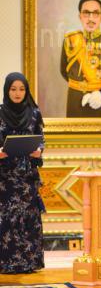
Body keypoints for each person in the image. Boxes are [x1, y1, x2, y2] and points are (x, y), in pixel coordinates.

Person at [0, 73, 45, 274]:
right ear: (6, 90)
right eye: (13, 89)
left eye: (21, 89)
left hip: (27, 176)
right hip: (5, 176)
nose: (17, 93)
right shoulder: (0, 113)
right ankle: (6, 263)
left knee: (28, 217)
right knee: (7, 217)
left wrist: (39, 151)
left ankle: (29, 263)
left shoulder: (34, 113)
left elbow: (41, 138)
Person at [60, 0, 101, 117]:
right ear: (80, 16)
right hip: (74, 102)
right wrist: (79, 86)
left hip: (99, 104)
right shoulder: (69, 40)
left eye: (95, 13)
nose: (91, 18)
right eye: (86, 13)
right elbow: (64, 71)